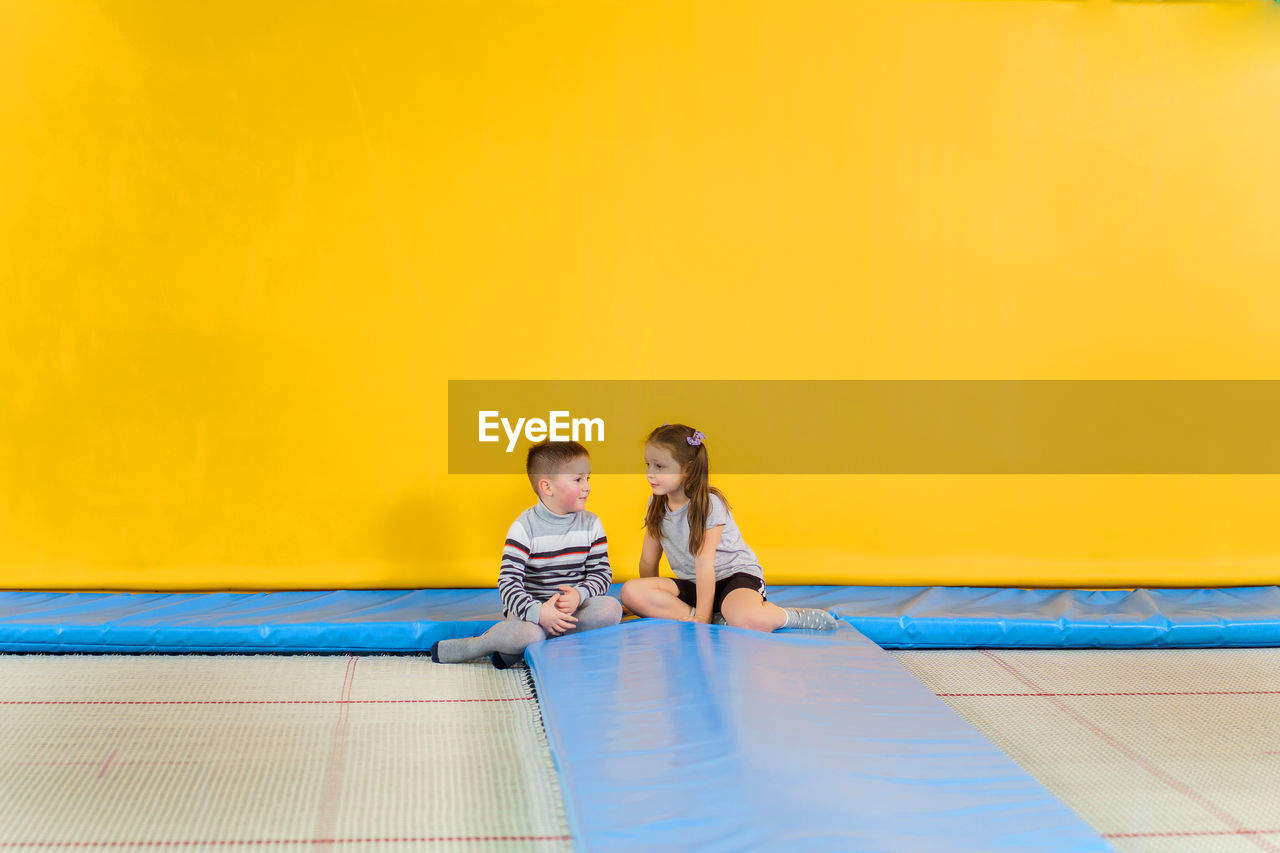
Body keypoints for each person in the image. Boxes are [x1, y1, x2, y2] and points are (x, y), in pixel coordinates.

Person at [620, 423, 837, 632]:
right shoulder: (656, 503)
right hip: (693, 583)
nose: (650, 473)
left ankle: (787, 616)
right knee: (631, 591)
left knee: (747, 620)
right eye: (647, 464)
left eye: (660, 466)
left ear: (688, 469)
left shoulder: (709, 503)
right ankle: (717, 619)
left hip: (733, 578)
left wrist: (702, 618)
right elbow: (649, 560)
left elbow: (704, 563)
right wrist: (643, 603)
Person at [431, 439, 621, 668]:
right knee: (528, 634)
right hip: (531, 614)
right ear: (547, 487)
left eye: (588, 478)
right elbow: (508, 583)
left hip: (571, 611)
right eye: (578, 479)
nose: (587, 486)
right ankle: (477, 645)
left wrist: (579, 595)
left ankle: (516, 652)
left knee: (611, 609)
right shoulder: (524, 528)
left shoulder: (592, 523)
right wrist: (538, 612)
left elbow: (601, 573)